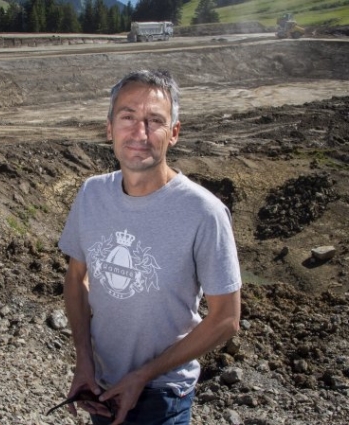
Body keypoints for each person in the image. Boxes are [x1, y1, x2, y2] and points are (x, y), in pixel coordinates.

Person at [57, 69, 242, 425]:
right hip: (102, 388)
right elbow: (77, 276)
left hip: (164, 396)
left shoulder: (204, 212)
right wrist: (84, 359)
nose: (139, 133)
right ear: (109, 127)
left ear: (173, 133)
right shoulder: (92, 194)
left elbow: (226, 319)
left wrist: (144, 375)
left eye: (154, 121)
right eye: (127, 117)